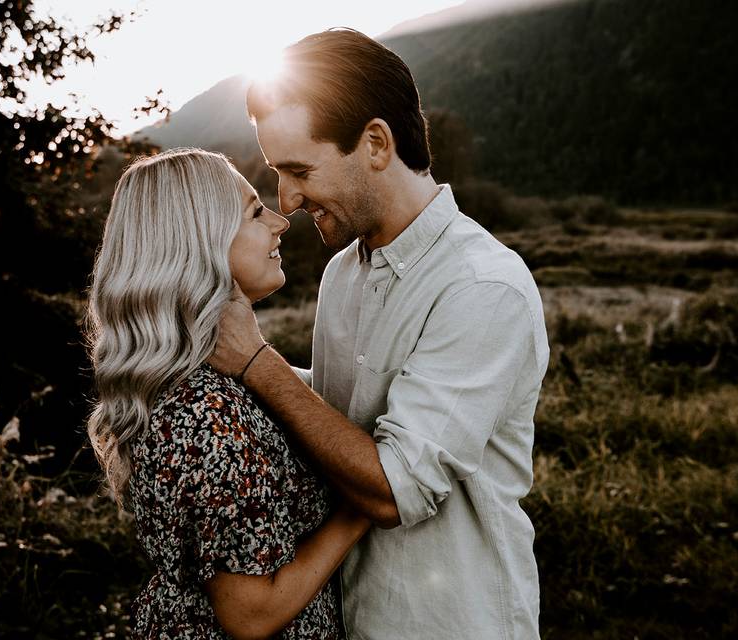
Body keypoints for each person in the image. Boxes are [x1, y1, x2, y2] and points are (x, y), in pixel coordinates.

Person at [209, 29, 550, 638]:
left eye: (299, 169)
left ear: (375, 143)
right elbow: (349, 404)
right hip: (350, 616)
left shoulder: (481, 287)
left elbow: (397, 490)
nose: (285, 199)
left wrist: (257, 364)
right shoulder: (345, 269)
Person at [84, 147, 370, 639]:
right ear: (201, 242)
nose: (281, 222)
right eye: (256, 212)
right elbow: (249, 614)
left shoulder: (202, 382)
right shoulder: (208, 411)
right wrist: (362, 502)